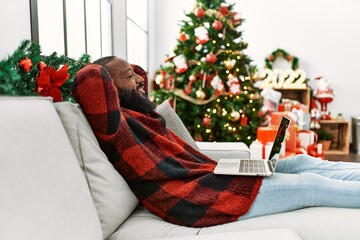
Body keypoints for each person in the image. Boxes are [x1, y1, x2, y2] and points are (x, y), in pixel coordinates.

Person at [73, 56, 360, 227]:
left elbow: (134, 80)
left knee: (300, 162)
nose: (139, 79)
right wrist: (110, 72)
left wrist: (127, 74)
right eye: (128, 76)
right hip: (191, 199)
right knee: (309, 185)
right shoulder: (115, 124)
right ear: (109, 86)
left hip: (208, 178)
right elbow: (89, 77)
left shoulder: (140, 112)